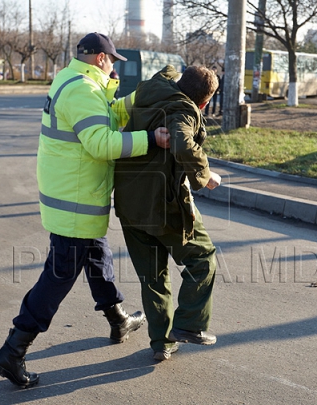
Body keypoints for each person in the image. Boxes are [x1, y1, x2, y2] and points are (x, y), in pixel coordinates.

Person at [0, 32, 171, 388]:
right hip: (74, 201)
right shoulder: (81, 90)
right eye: (112, 62)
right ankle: (12, 350)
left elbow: (107, 115)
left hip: (77, 196)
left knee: (97, 257)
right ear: (102, 58)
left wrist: (139, 96)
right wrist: (151, 139)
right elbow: (102, 142)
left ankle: (117, 318)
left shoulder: (77, 82)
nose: (112, 68)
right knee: (58, 278)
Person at [114, 65, 221, 362]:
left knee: (153, 276)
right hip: (164, 205)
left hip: (130, 204)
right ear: (205, 102)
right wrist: (205, 174)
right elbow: (182, 140)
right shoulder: (185, 109)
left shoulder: (148, 95)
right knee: (203, 259)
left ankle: (162, 343)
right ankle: (189, 325)